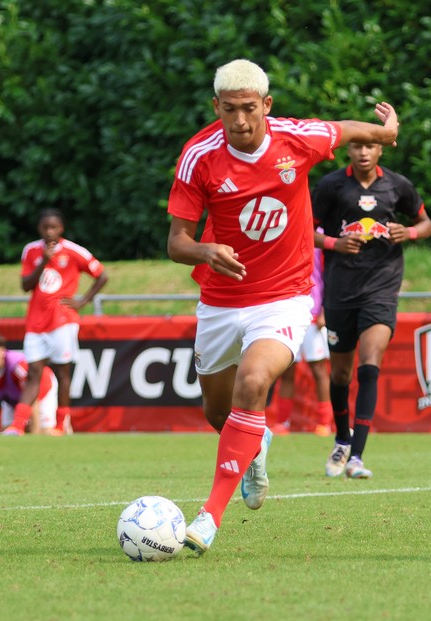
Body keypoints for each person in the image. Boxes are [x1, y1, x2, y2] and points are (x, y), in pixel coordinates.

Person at [166, 58, 400, 554]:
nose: (240, 120)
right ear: (216, 107)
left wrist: (385, 131)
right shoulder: (198, 156)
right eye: (229, 110)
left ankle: (209, 516)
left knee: (254, 383)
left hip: (285, 296)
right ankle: (256, 446)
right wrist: (205, 250)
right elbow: (176, 242)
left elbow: (344, 130)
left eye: (250, 108)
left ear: (266, 105)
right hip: (220, 300)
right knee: (218, 412)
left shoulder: (297, 138)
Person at [313, 141, 431, 479]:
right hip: (340, 290)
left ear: (380, 151)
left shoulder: (398, 185)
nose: (364, 151)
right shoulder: (330, 185)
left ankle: (357, 457)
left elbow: (426, 224)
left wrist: (408, 231)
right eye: (357, 146)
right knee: (340, 373)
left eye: (370, 146)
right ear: (348, 151)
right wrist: (335, 243)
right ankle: (341, 439)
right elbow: (301, 231)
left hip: (381, 287)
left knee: (370, 363)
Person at [6, 208, 108, 436]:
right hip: (35, 322)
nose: (49, 231)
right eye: (45, 227)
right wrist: (43, 261)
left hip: (62, 320)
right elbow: (26, 285)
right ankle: (17, 425)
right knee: (33, 371)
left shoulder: (73, 251)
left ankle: (62, 424)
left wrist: (83, 301)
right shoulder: (31, 251)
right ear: (39, 229)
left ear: (61, 229)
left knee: (63, 372)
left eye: (54, 227)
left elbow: (102, 274)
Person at [271, 242, 333, 437]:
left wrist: (325, 309)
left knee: (319, 369)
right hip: (287, 314)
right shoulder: (283, 231)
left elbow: (329, 276)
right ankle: (283, 422)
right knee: (286, 369)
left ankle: (324, 423)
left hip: (313, 315)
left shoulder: (321, 237)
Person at [0, 331, 60, 435]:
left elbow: (32, 397)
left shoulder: (18, 366)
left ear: (2, 350)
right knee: (9, 432)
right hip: (12, 399)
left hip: (41, 390)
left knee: (44, 432)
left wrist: (36, 434)